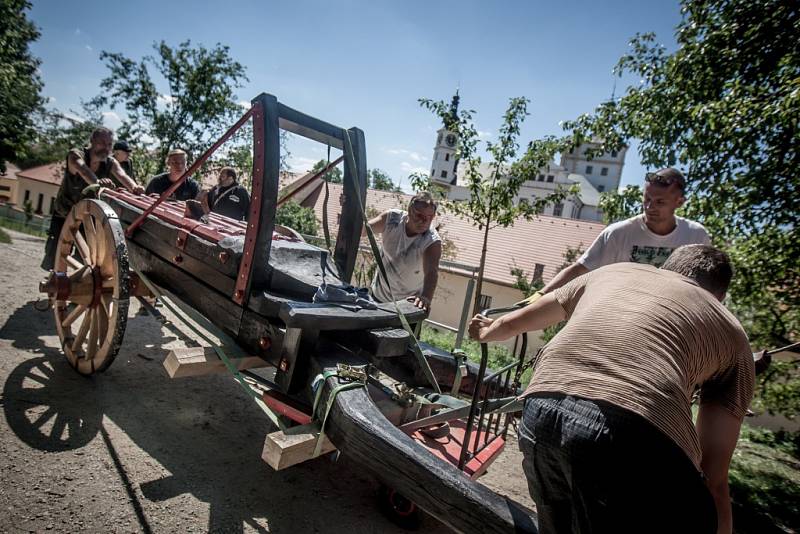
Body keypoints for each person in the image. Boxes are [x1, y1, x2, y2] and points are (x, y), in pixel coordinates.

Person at [469, 244, 754, 534]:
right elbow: (714, 475)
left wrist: (484, 330)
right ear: (720, 297)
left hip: (542, 406)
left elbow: (515, 322)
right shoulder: (732, 331)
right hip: (632, 433)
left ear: (665, 268)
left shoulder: (612, 273)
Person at [522, 167, 710, 305]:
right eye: (647, 199)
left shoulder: (696, 237)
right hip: (621, 315)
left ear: (680, 202)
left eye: (660, 202)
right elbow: (580, 269)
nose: (649, 207)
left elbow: (705, 290)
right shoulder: (618, 234)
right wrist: (541, 294)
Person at [42, 127, 144, 271]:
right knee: (54, 255)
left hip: (88, 218)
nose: (106, 148)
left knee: (84, 260)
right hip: (65, 212)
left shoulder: (110, 162)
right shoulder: (76, 155)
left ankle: (78, 285)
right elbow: (83, 171)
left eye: (109, 144)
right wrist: (98, 183)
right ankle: (54, 282)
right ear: (91, 141)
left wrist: (135, 188)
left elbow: (123, 176)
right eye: (102, 143)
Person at [368, 192, 442, 311]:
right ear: (409, 210)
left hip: (405, 308)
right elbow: (362, 230)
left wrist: (426, 298)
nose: (424, 221)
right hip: (376, 299)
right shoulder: (392, 220)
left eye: (429, 217)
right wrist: (350, 206)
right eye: (419, 215)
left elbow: (431, 272)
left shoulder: (432, 241)